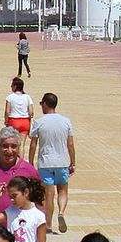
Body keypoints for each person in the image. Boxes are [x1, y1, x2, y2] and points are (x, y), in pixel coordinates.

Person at [27, 92, 76, 234]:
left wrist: (30, 162)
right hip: (62, 162)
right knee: (63, 190)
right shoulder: (66, 121)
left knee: (49, 194)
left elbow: (33, 144)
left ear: (46, 104)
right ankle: (61, 212)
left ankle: (48, 224)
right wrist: (73, 162)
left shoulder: (39, 122)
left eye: (42, 103)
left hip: (45, 162)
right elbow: (71, 144)